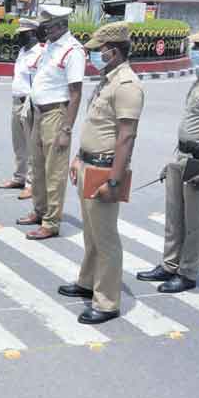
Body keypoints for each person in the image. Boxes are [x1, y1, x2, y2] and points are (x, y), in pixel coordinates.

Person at [137, 26, 199, 293]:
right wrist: (171, 162)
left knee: (195, 221)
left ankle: (188, 272)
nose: (194, 51)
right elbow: (190, 124)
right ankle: (169, 265)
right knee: (174, 217)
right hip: (182, 156)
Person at [58, 21, 145, 324]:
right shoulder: (108, 80)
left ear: (114, 51)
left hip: (106, 169)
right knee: (92, 233)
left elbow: (126, 137)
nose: (94, 56)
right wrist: (78, 159)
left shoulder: (126, 85)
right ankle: (87, 281)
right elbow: (96, 127)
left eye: (98, 51)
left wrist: (115, 180)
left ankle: (107, 301)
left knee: (106, 238)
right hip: (89, 164)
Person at [17, 5, 85, 240]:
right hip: (39, 112)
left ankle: (51, 221)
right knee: (37, 166)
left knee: (54, 170)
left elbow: (75, 92)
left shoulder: (72, 50)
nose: (42, 32)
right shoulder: (51, 48)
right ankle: (39, 210)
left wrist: (67, 128)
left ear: (60, 26)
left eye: (46, 27)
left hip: (56, 114)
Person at [0, 18, 41, 201]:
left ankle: (32, 184)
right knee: (19, 144)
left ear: (31, 33)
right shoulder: (23, 52)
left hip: (30, 103)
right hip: (17, 101)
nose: (18, 37)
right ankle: (19, 177)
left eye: (22, 34)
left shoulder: (40, 53)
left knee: (32, 145)